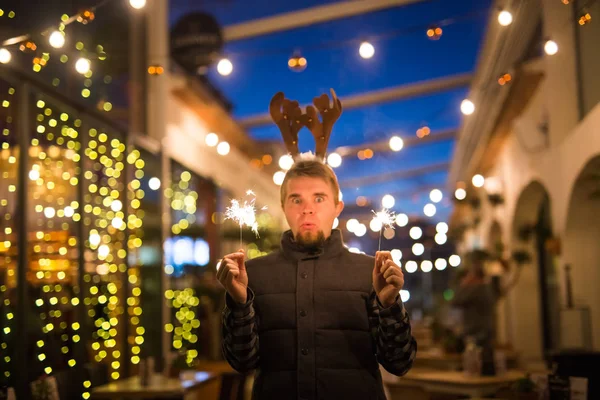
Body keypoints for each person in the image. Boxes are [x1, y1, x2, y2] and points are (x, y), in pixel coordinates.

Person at [217, 159, 417, 399]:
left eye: (319, 198)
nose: (307, 208)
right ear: (284, 206)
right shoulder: (252, 275)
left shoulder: (370, 272)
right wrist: (240, 305)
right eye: (296, 199)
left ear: (337, 207)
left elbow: (399, 363)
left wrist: (390, 306)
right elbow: (242, 363)